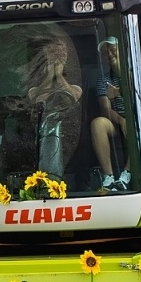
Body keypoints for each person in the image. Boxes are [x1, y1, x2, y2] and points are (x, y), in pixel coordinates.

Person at [24, 36, 83, 176]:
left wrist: (60, 76)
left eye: (61, 53)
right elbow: (35, 98)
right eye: (53, 53)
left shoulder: (74, 82)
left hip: (68, 130)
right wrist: (50, 76)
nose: (57, 56)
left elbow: (74, 97)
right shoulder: (35, 83)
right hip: (40, 129)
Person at [90, 37, 130, 192]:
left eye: (112, 49)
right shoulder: (103, 80)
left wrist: (120, 92)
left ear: (122, 51)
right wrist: (121, 121)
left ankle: (126, 175)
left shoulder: (139, 74)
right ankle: (109, 178)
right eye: (105, 53)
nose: (109, 54)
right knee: (98, 123)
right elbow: (105, 108)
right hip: (116, 121)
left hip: (137, 119)